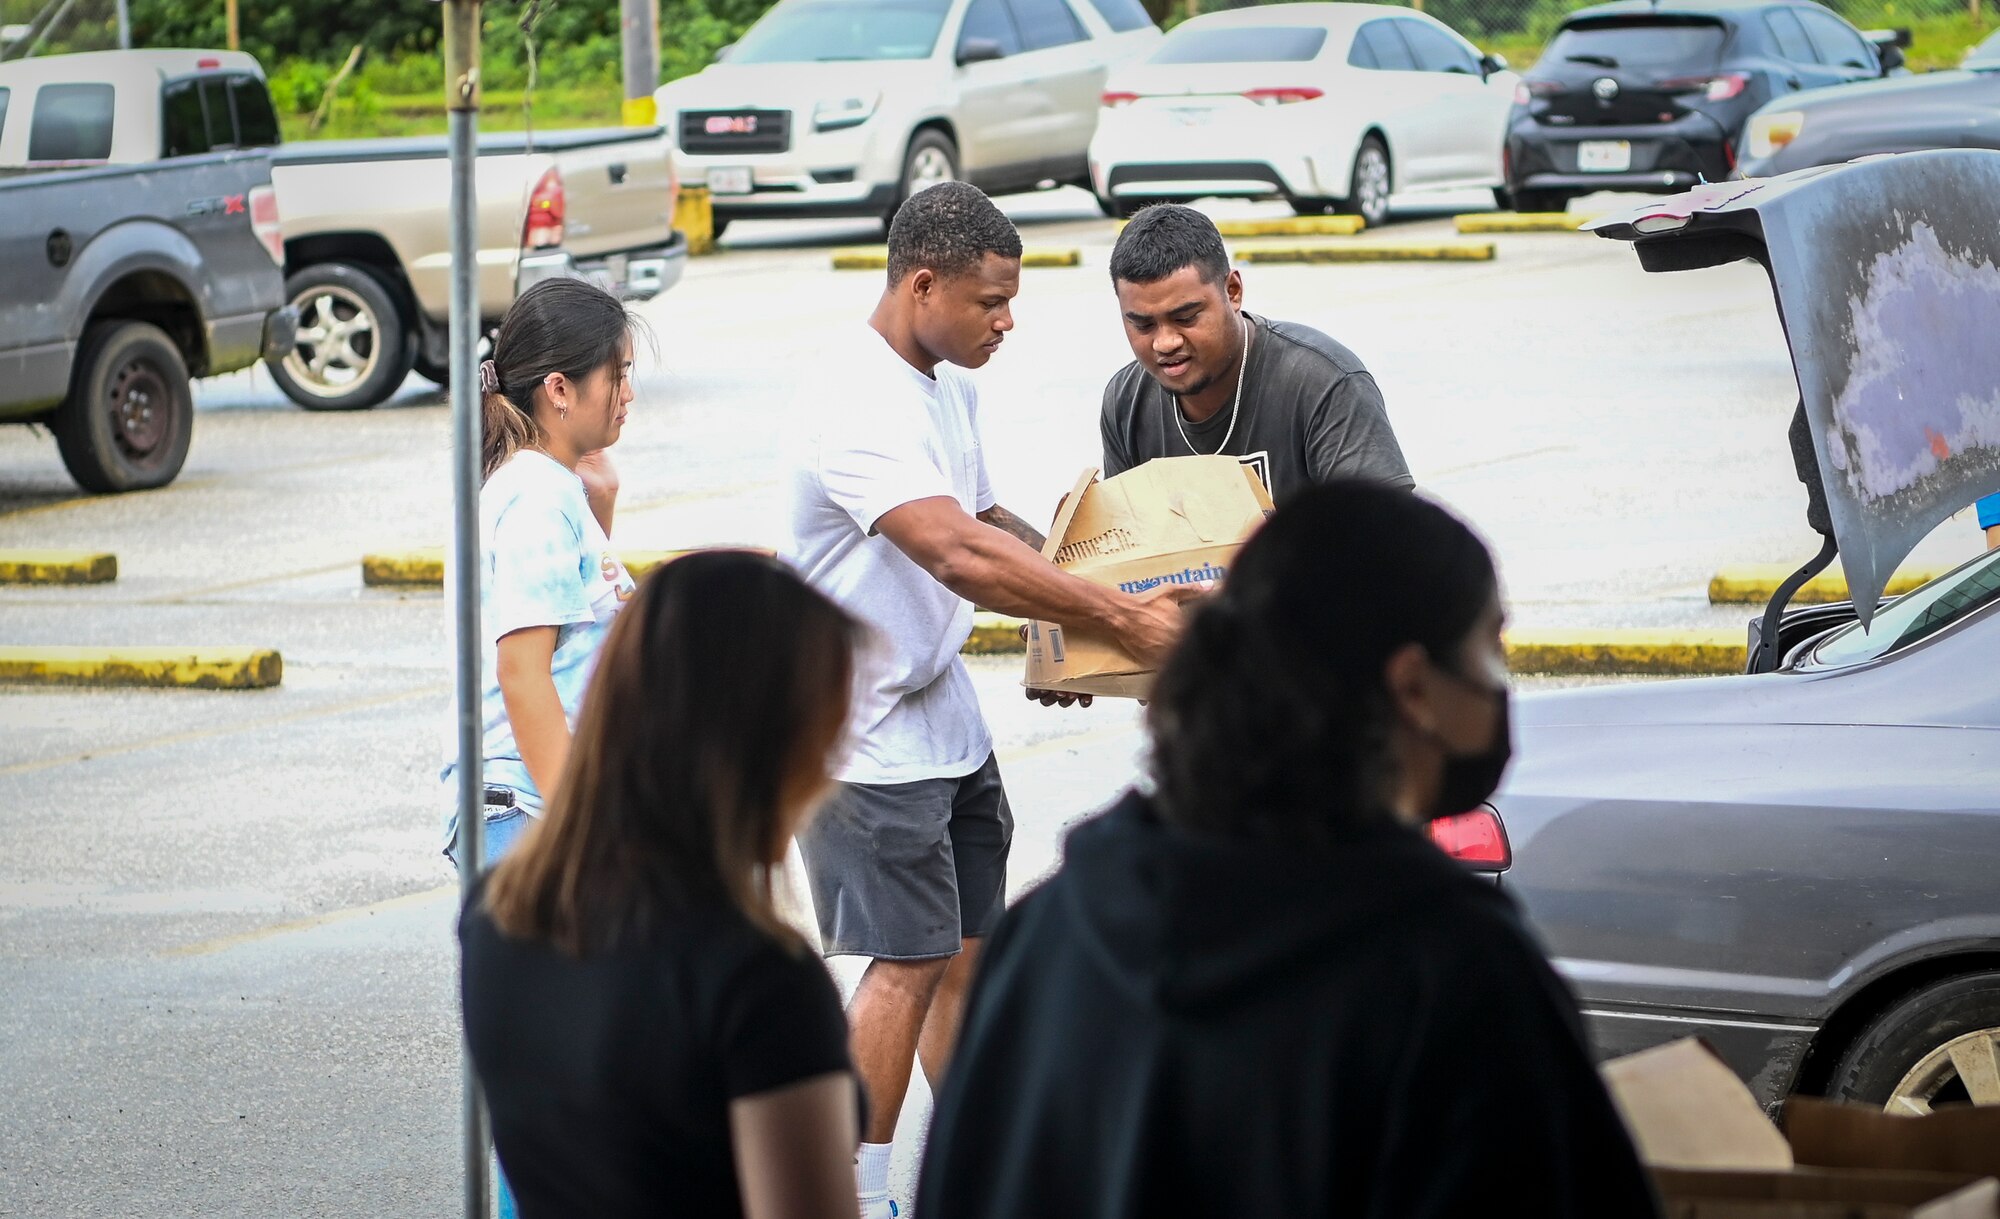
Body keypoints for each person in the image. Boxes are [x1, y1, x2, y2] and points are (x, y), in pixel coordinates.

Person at [918, 481, 1662, 1219]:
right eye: (1486, 647)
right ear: (1413, 685)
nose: (1499, 685)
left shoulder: (1051, 930)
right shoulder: (1453, 968)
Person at [782, 181, 1202, 1219]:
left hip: (940, 717)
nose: (1006, 321)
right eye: (989, 301)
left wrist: (1107, 598)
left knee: (965, 952)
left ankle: (986, 1174)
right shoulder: (854, 396)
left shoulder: (942, 378)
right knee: (906, 959)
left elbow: (988, 518)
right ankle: (848, 1195)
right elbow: (954, 549)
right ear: (922, 284)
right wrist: (1118, 614)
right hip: (862, 732)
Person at [461, 551, 865, 1219]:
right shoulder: (759, 984)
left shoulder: (498, 917)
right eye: (823, 733)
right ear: (762, 748)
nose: (829, 768)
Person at [442, 276, 638, 868]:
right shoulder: (535, 498)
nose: (629, 394)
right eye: (618, 374)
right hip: (529, 816)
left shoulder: (552, 488)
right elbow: (524, 675)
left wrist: (600, 498)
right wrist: (585, 832)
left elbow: (573, 638)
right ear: (559, 389)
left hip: (530, 811)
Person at [1100, 204, 1414, 504]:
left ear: (1233, 291)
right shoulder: (1127, 400)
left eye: (1186, 318)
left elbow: (1385, 538)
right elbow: (1129, 545)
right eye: (1143, 325)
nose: (1165, 342)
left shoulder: (1322, 382)